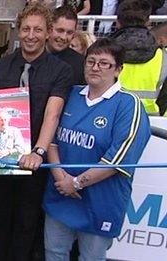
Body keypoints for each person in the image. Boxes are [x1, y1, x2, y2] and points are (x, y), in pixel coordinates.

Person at [0, 3, 73, 260]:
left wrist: (38, 152)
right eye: (26, 29)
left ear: (48, 32)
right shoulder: (0, 67)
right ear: (18, 31)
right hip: (1, 158)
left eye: (38, 29)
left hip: (33, 161)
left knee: (26, 220)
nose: (31, 35)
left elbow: (53, 114)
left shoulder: (60, 71)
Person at [43, 38, 151, 261]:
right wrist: (61, 177)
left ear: (118, 69)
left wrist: (75, 182)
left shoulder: (129, 105)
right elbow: (52, 140)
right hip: (61, 192)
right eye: (90, 61)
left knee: (91, 257)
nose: (95, 67)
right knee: (54, 253)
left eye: (104, 63)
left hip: (100, 200)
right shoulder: (72, 94)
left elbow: (118, 159)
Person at [112, 0, 167, 116]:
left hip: (110, 117)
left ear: (117, 22)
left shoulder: (103, 51)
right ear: (148, 22)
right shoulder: (163, 56)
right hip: (151, 123)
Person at [47, 6, 86, 85]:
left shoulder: (80, 64)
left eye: (69, 32)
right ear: (49, 29)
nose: (63, 37)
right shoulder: (32, 54)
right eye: (60, 30)